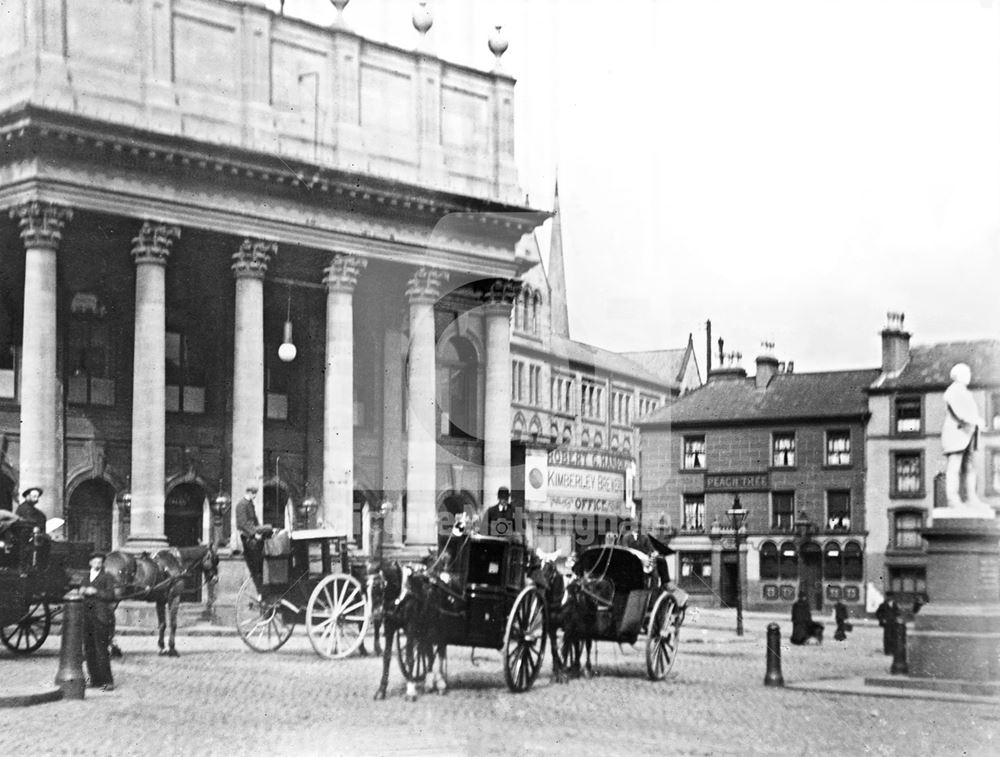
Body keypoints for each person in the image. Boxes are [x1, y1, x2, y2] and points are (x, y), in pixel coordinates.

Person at [941, 363, 988, 510]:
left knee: (970, 467)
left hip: (969, 434)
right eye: (966, 373)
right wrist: (977, 421)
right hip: (956, 434)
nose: (969, 375)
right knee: (954, 467)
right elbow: (960, 413)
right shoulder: (952, 392)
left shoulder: (965, 392)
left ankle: (971, 498)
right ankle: (953, 500)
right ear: (958, 375)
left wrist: (977, 422)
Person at [81, 551, 116, 691]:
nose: (97, 564)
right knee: (89, 649)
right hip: (87, 618)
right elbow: (82, 589)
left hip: (100, 618)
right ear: (90, 563)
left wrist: (94, 591)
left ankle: (108, 681)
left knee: (101, 649)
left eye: (100, 562)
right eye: (95, 562)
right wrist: (82, 590)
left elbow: (110, 595)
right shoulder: (85, 577)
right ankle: (94, 679)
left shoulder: (107, 577)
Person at [235, 485, 270, 590]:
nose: (255, 496)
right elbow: (242, 524)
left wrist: (261, 530)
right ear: (249, 492)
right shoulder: (242, 505)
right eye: (254, 494)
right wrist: (255, 534)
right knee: (256, 561)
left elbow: (255, 521)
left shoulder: (250, 504)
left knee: (270, 528)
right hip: (248, 537)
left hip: (253, 531)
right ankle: (258, 579)